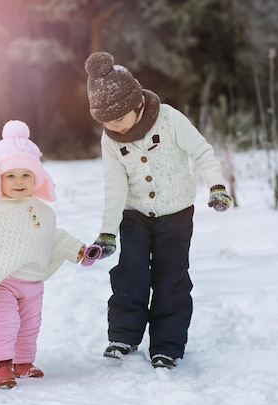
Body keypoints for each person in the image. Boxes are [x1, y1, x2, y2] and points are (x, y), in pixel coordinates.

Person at [84, 52, 232, 370]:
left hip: (176, 214)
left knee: (171, 279)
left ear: (136, 103)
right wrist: (108, 232)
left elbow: (203, 152)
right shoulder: (110, 140)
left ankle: (166, 345)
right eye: (106, 121)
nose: (113, 126)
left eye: (118, 118)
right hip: (135, 215)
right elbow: (114, 187)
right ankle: (123, 336)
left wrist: (216, 185)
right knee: (130, 274)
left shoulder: (169, 119)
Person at [0, 120, 101, 389]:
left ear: (37, 178)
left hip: (32, 280)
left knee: (30, 325)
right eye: (10, 175)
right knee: (4, 321)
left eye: (26, 175)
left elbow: (53, 236)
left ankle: (23, 362)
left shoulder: (41, 211)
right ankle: (0, 364)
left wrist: (79, 250)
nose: (19, 181)